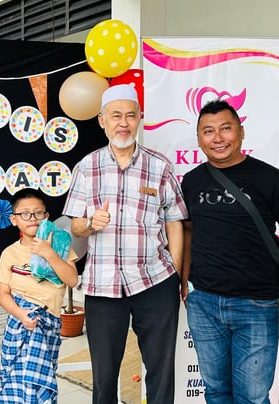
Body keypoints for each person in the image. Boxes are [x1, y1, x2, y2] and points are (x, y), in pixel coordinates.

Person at [181, 99, 279, 403]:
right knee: (216, 392)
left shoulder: (269, 179)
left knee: (253, 397)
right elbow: (188, 235)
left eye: (226, 129)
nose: (217, 138)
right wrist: (185, 281)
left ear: (241, 132)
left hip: (256, 305)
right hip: (204, 303)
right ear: (199, 139)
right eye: (208, 131)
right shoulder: (191, 181)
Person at [62, 84, 188, 404]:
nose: (123, 122)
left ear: (139, 119)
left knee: (160, 370)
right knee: (104, 376)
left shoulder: (159, 166)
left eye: (130, 115)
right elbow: (74, 224)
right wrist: (91, 224)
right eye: (115, 115)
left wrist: (173, 271)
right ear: (102, 120)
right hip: (103, 285)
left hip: (155, 281)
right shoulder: (87, 167)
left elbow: (175, 220)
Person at [0, 188, 79, 403]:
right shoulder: (9, 253)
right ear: (14, 220)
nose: (32, 218)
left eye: (38, 213)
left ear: (47, 216)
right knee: (17, 379)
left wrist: (48, 253)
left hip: (48, 322)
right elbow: (3, 294)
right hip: (19, 322)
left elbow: (72, 280)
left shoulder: (61, 245)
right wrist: (21, 313)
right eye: (25, 214)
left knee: (40, 381)